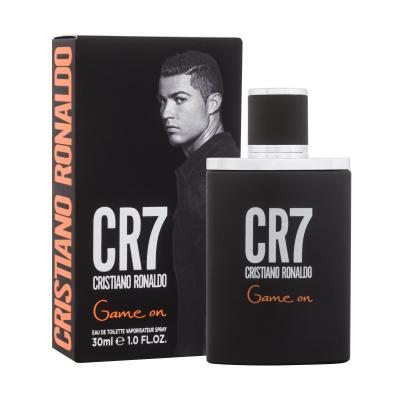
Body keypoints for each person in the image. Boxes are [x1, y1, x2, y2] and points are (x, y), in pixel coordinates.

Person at [157, 51, 239, 355]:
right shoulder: (211, 169)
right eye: (162, 101)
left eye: (179, 99)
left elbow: (221, 295)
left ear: (213, 103)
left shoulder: (208, 183)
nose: (166, 113)